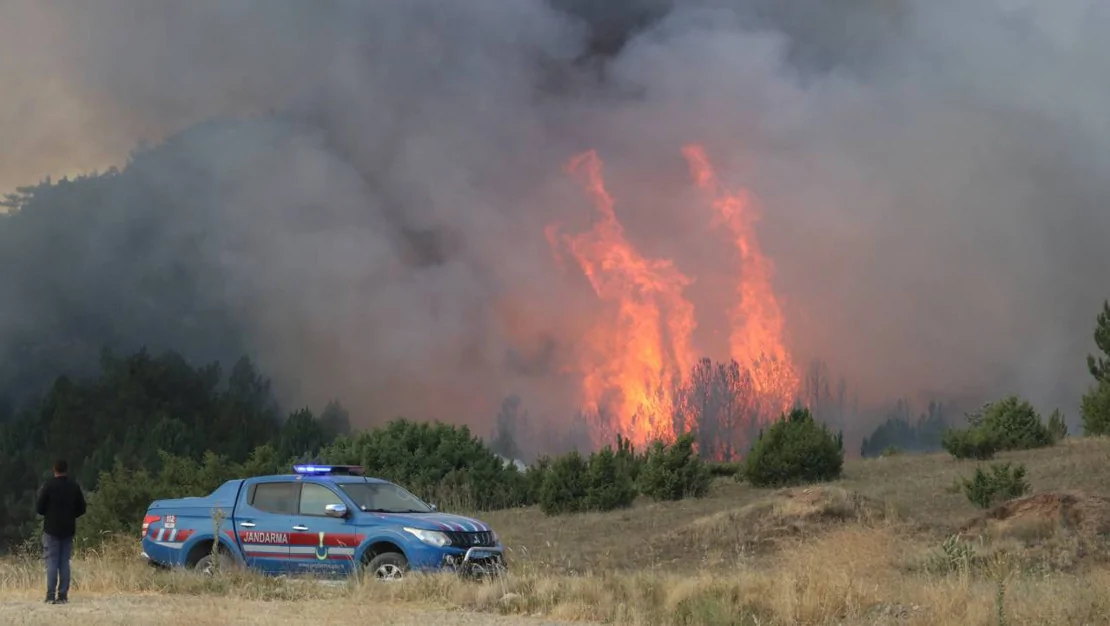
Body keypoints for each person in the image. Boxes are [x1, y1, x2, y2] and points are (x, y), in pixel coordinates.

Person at [35, 459, 86, 604]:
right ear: (66, 470)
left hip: (51, 528)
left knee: (51, 562)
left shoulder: (48, 486)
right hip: (68, 528)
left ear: (54, 469)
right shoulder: (73, 487)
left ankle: (50, 595)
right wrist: (71, 515)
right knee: (64, 562)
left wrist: (49, 514)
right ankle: (63, 595)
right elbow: (82, 508)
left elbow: (39, 508)